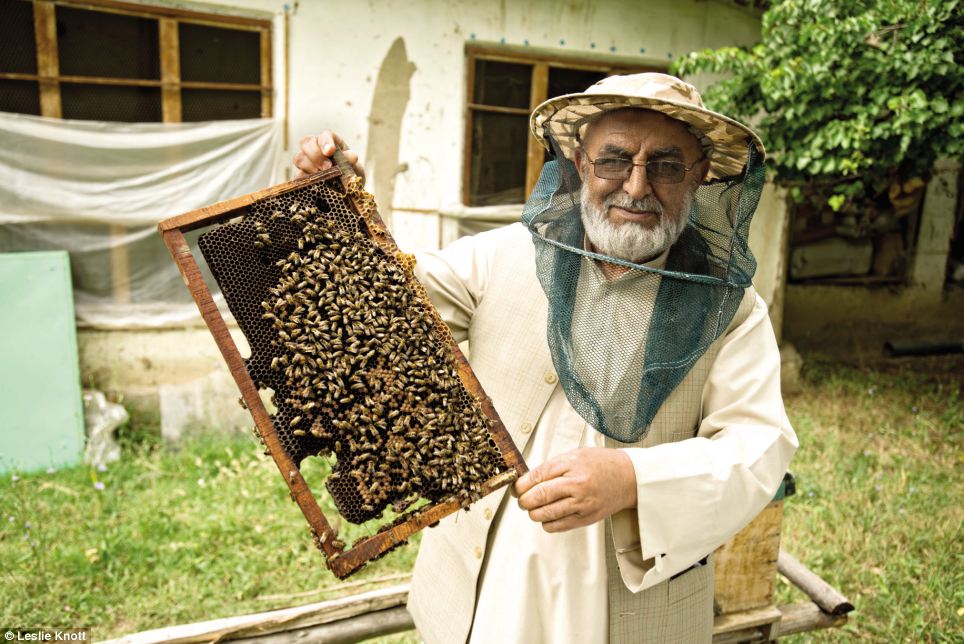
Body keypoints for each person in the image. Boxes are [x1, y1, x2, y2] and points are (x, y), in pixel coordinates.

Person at [293, 72, 798, 644]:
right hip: (484, 579)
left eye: (664, 165)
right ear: (581, 163)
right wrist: (336, 210)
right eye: (614, 160)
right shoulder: (501, 255)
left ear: (700, 174)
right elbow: (385, 303)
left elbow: (759, 449)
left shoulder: (731, 310)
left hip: (631, 605)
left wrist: (632, 478)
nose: (635, 187)